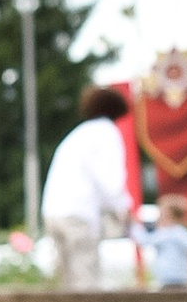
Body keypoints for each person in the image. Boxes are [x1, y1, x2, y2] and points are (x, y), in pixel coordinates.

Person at [42, 86, 138, 290]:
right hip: (79, 214)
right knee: (86, 281)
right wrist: (124, 207)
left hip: (53, 211)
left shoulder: (78, 134)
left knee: (66, 282)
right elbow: (110, 179)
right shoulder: (107, 133)